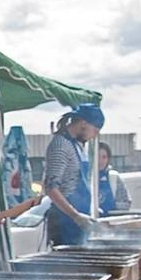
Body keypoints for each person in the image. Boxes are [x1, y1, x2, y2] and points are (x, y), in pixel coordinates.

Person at [42, 103, 105, 245]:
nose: (95, 135)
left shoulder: (77, 146)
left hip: (77, 223)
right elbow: (51, 187)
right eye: (95, 130)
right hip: (63, 223)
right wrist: (75, 216)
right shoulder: (61, 144)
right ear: (83, 123)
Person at [97, 142, 131, 214]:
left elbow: (127, 203)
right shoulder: (87, 177)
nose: (100, 161)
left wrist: (112, 205)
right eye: (97, 157)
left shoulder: (114, 177)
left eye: (104, 157)